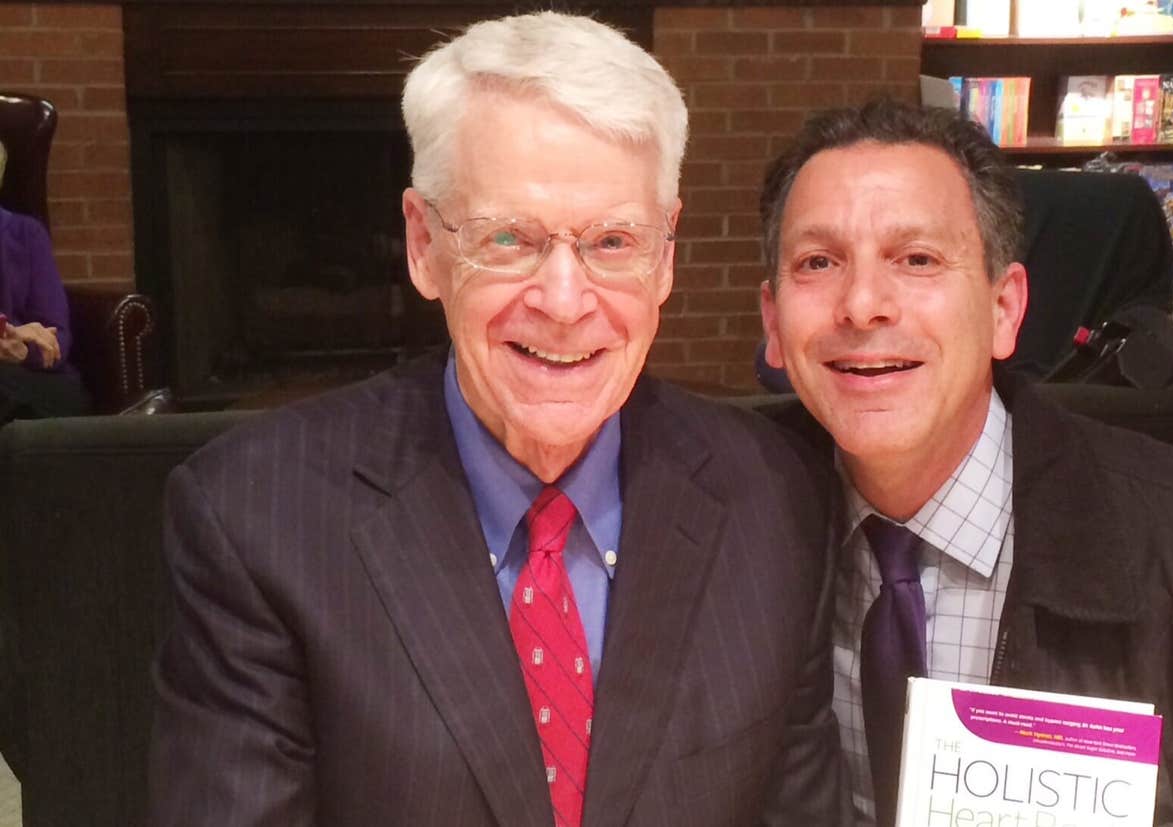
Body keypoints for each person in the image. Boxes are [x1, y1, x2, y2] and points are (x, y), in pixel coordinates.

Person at [148, 13, 846, 827]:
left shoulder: (776, 499)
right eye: (509, 238)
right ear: (423, 245)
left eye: (613, 240)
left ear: (666, 257)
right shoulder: (256, 519)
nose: (562, 300)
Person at [757, 99, 1173, 826]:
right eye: (818, 262)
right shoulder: (729, 536)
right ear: (772, 321)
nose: (862, 304)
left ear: (1004, 309)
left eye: (917, 259)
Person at [0, 142, 89, 422]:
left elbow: (55, 335)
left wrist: (23, 351)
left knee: (62, 394)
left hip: (26, 376)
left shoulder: (26, 234)